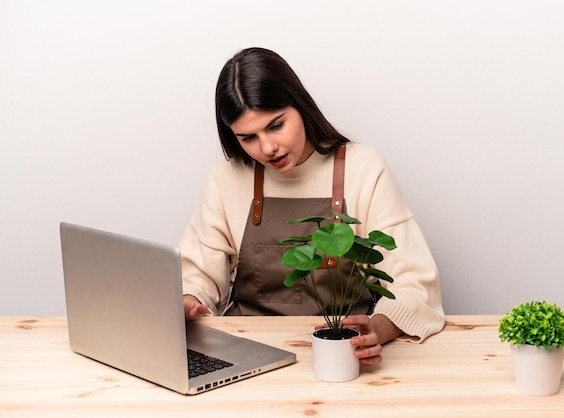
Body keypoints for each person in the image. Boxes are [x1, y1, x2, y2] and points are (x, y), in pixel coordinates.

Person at [179, 47, 445, 365]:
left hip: (343, 355)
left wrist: (376, 328)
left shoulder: (364, 167)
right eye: (247, 137)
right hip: (245, 354)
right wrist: (187, 300)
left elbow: (415, 282)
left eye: (276, 125)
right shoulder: (227, 175)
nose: (267, 148)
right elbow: (198, 274)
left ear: (301, 106)